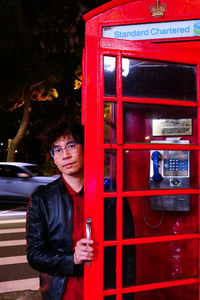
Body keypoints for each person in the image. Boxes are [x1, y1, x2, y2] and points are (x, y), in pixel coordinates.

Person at [26, 117, 94, 300]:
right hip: (61, 293)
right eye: (57, 149)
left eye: (71, 145)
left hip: (104, 288)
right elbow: (34, 255)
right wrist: (72, 259)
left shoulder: (110, 195)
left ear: (84, 147)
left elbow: (129, 254)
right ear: (54, 157)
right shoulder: (41, 199)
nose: (65, 155)